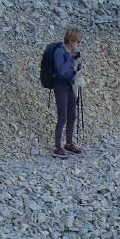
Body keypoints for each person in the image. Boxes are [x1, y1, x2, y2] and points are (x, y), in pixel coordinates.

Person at [51, 28, 83, 158]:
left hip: (70, 85)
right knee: (62, 117)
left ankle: (69, 144)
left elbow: (70, 69)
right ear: (70, 40)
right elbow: (60, 70)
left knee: (72, 115)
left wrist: (77, 73)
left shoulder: (71, 51)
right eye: (78, 41)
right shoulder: (59, 52)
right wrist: (71, 60)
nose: (79, 44)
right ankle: (57, 147)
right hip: (60, 86)